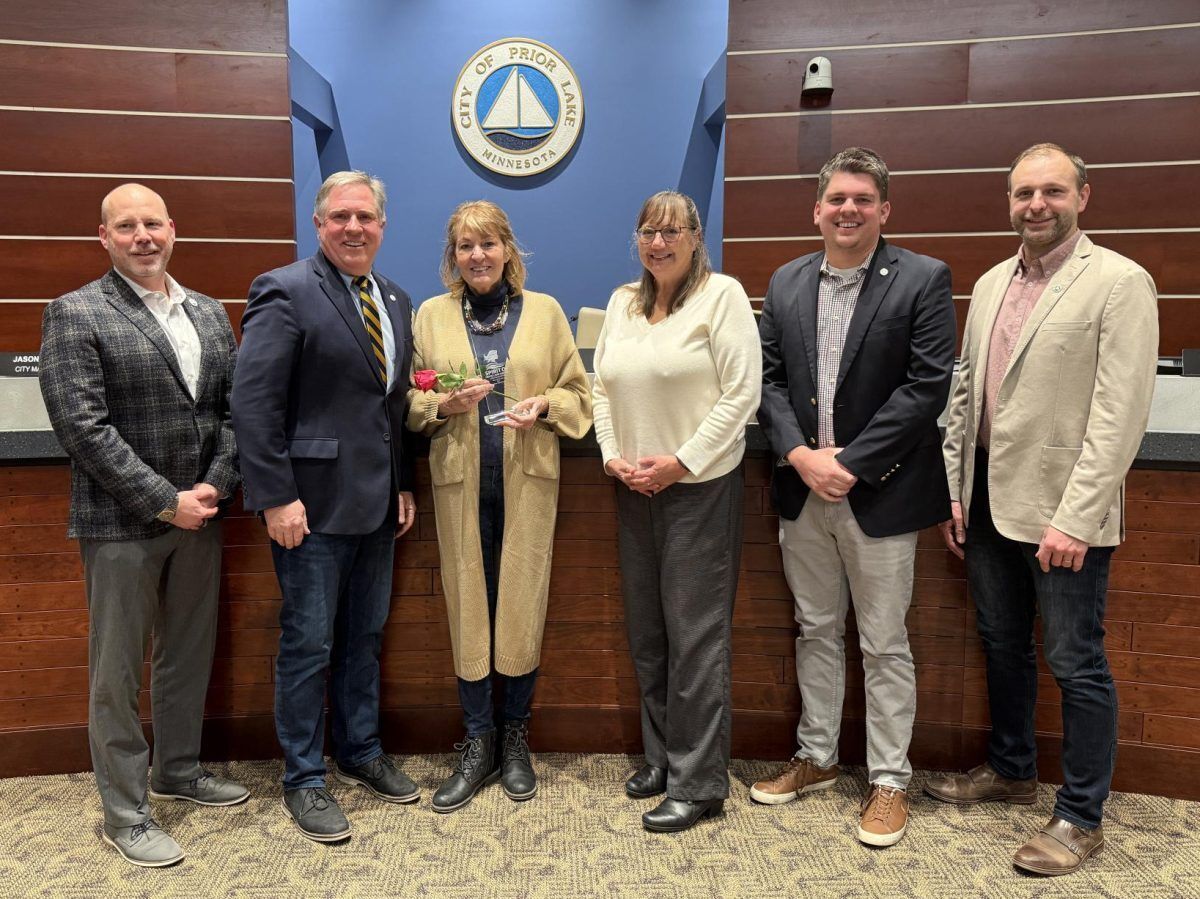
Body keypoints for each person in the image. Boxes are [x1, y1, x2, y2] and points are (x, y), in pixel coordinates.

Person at [928, 143, 1158, 876]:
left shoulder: (1119, 281)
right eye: (1024, 192)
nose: (1037, 204)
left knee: (1075, 661)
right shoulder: (992, 282)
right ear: (1009, 201)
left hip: (1065, 513)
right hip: (988, 502)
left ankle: (1082, 815)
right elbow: (966, 393)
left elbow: (1119, 416)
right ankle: (1011, 769)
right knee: (1002, 643)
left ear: (1082, 197)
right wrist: (955, 488)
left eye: (1053, 191)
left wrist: (1077, 518)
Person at [38, 184, 247, 867]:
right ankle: (125, 814)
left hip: (201, 514)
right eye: (125, 226)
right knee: (117, 672)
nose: (142, 236)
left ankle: (177, 771)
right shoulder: (75, 312)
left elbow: (232, 412)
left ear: (172, 229)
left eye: (152, 223)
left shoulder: (209, 312)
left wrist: (216, 482)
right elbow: (82, 428)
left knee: (187, 653)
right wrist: (164, 499)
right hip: (120, 523)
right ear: (104, 237)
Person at [753, 147, 956, 847]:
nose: (848, 210)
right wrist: (802, 456)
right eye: (837, 199)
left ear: (884, 210)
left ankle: (890, 779)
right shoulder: (785, 281)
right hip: (803, 489)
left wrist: (852, 463)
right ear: (817, 210)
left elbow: (927, 387)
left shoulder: (923, 278)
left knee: (884, 641)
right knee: (814, 628)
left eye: (863, 199)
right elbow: (767, 381)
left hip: (882, 493)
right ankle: (816, 755)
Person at [231, 171, 418, 842]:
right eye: (340, 216)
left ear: (382, 226)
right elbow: (253, 402)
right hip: (308, 509)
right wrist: (276, 496)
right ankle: (305, 778)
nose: (353, 227)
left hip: (377, 507)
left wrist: (402, 482)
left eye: (365, 217)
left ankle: (361, 751)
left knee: (364, 638)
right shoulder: (284, 289)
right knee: (309, 645)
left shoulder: (394, 298)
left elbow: (390, 406)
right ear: (318, 224)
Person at [407, 200, 591, 813]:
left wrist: (544, 406)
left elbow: (577, 393)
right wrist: (443, 406)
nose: (477, 255)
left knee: (519, 604)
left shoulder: (545, 312)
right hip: (460, 483)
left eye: (488, 243)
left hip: (527, 481)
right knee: (467, 606)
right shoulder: (431, 316)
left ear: (508, 250)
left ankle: (515, 740)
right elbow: (407, 396)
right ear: (453, 256)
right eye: (465, 245)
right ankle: (478, 740)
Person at [592, 190, 761, 833]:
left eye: (671, 231)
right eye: (648, 232)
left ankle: (700, 783)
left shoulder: (722, 297)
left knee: (695, 640)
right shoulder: (621, 303)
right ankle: (663, 758)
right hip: (634, 489)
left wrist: (681, 462)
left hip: (699, 490)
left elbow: (742, 394)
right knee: (649, 636)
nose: (658, 243)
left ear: (696, 237)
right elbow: (602, 387)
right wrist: (612, 456)